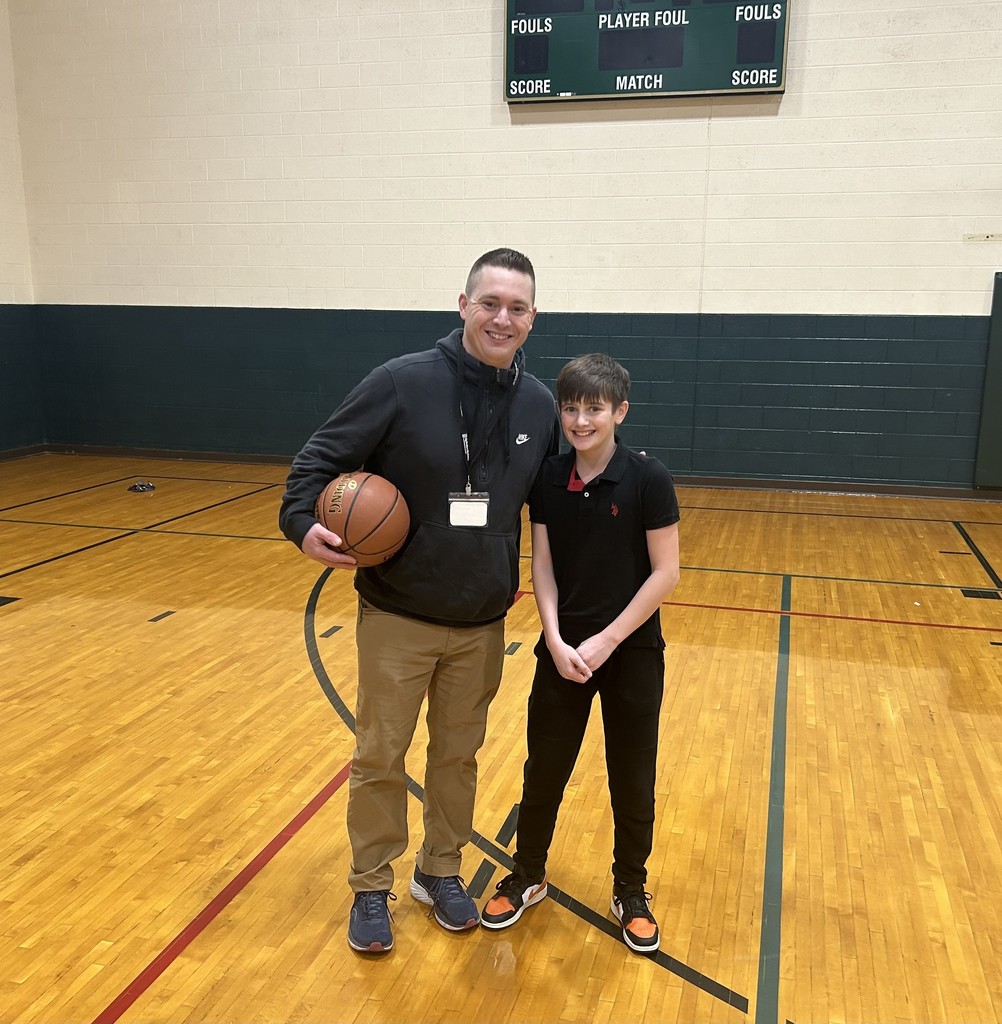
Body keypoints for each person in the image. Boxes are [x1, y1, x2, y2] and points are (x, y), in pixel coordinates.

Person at [279, 249, 560, 954]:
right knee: (381, 754)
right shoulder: (401, 383)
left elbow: (560, 505)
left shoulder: (539, 404)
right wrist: (301, 521)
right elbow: (317, 460)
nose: (503, 317)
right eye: (490, 302)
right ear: (462, 305)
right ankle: (370, 885)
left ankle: (441, 872)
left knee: (458, 757)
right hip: (399, 613)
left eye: (517, 307)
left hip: (482, 621)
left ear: (533, 319)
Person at [480, 352, 681, 953]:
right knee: (544, 767)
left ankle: (631, 888)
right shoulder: (548, 477)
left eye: (594, 408)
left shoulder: (649, 478)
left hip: (631, 650)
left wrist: (606, 639)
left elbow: (665, 573)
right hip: (562, 651)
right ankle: (528, 872)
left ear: (619, 411)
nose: (580, 419)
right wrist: (553, 635)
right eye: (570, 408)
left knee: (632, 776)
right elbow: (541, 563)